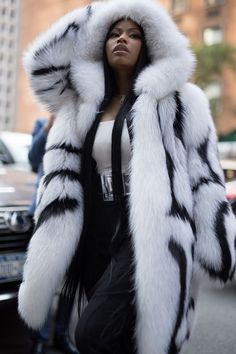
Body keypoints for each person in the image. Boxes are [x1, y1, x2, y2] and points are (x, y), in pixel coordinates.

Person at [19, 1, 236, 353]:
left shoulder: (179, 101)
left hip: (149, 231)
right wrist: (96, 14)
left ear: (150, 44)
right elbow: (42, 64)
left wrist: (217, 241)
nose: (123, 39)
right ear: (99, 43)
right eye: (114, 33)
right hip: (93, 228)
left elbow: (205, 175)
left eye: (134, 35)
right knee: (121, 338)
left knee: (90, 334)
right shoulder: (81, 104)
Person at [27, 117, 78, 354]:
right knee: (43, 276)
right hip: (43, 208)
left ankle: (62, 334)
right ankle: (39, 337)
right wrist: (48, 127)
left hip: (72, 207)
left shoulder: (82, 120)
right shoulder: (41, 123)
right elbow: (33, 159)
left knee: (70, 276)